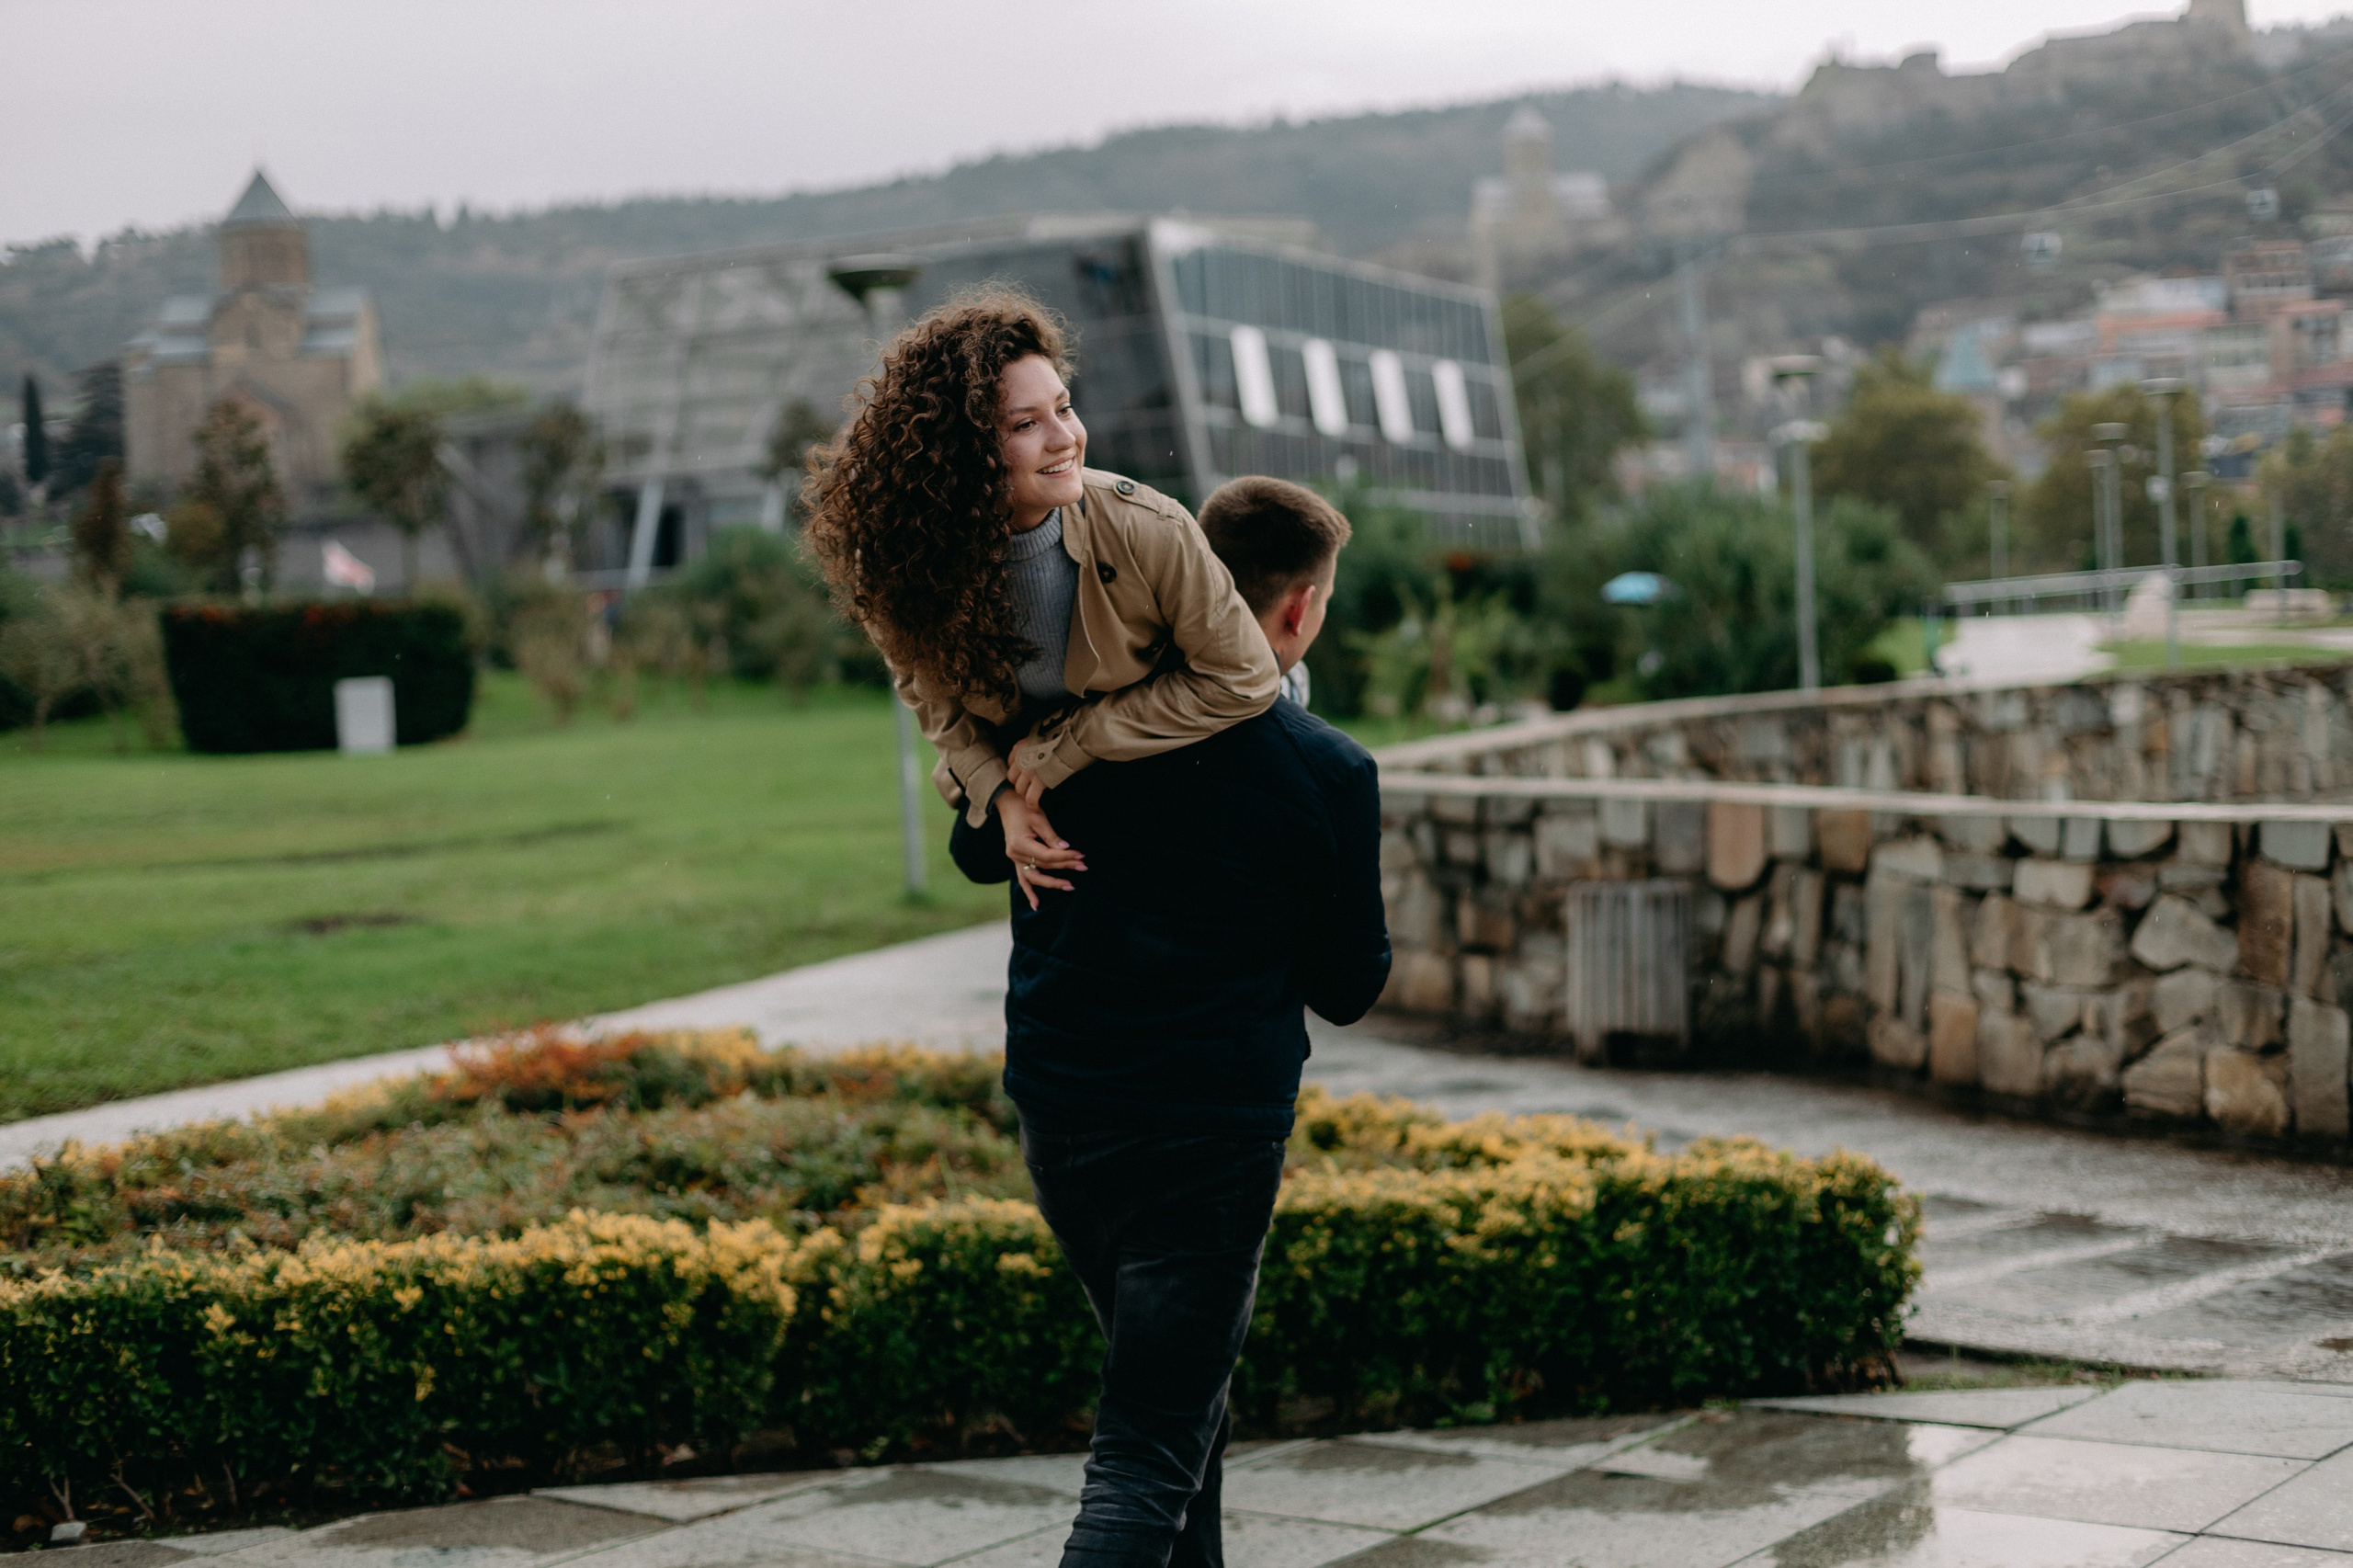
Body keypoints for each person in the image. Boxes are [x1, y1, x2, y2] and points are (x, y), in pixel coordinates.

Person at [951, 475, 1391, 1568]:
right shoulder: (1323, 767)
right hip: (1206, 1134)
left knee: (1180, 1399)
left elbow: (975, 848)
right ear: (1299, 608)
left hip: (1062, 1110)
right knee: (1146, 1453)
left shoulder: (1069, 723)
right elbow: (1349, 984)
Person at [803, 286, 1279, 903]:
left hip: (1142, 745)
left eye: (1065, 408)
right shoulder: (901, 560)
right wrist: (1004, 801)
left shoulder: (1149, 526)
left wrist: (1069, 744)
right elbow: (934, 704)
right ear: (961, 451)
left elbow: (1244, 676)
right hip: (1020, 758)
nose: (1066, 439)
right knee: (977, 851)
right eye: (1026, 424)